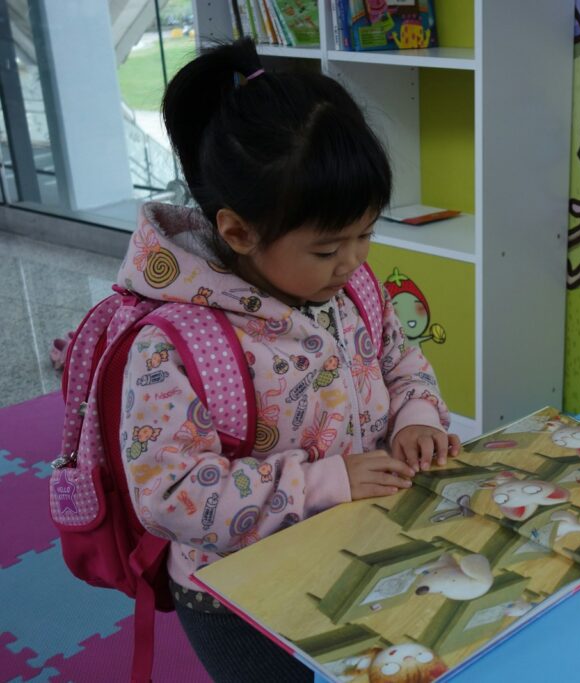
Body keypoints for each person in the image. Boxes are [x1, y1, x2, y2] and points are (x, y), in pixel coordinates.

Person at [117, 38, 459, 682]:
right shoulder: (176, 340)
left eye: (366, 234)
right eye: (329, 246)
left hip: (360, 545)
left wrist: (417, 416)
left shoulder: (350, 287)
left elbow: (400, 359)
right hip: (238, 596)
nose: (355, 261)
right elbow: (170, 494)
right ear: (239, 231)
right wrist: (326, 483)